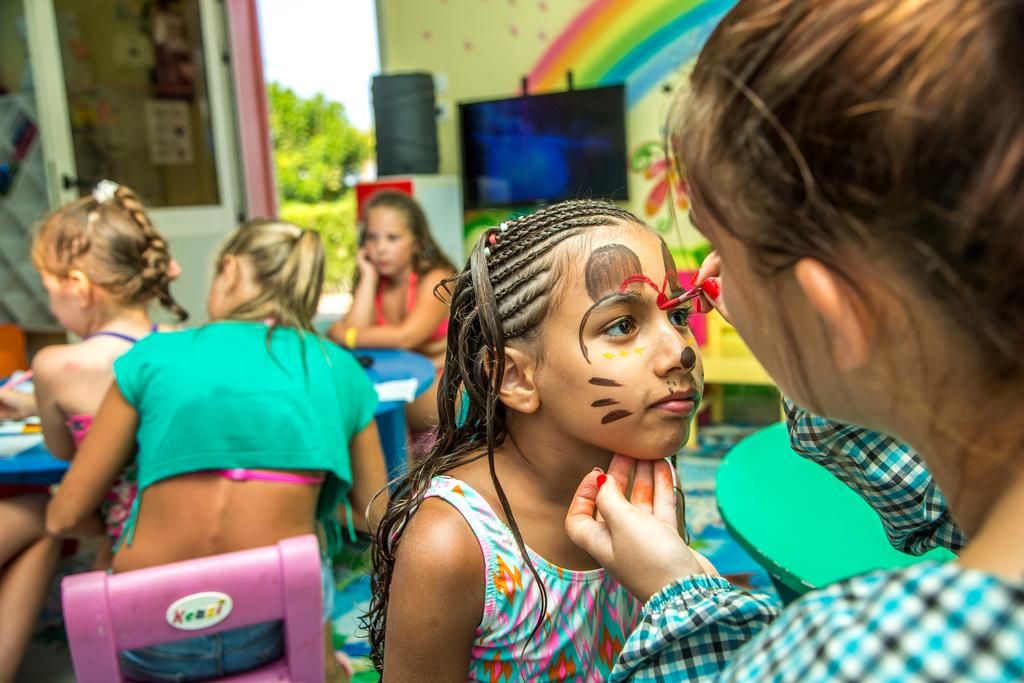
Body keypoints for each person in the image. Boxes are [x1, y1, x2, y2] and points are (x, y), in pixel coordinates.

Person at [564, 1, 1024, 680]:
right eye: (624, 322)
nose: (711, 284)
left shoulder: (841, 658)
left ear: (832, 311)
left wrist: (679, 600)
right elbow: (927, 492)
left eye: (721, 245)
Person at [367, 199, 703, 681]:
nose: (681, 351)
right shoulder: (453, 545)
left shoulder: (648, 491)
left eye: (678, 315)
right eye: (623, 325)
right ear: (517, 377)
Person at [47, 219, 388, 682]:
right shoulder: (338, 367)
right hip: (271, 631)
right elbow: (378, 515)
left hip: (151, 639)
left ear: (229, 269)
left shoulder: (151, 358)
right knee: (314, 556)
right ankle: (330, 668)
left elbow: (63, 517)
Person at [0, 180, 185, 681]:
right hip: (192, 535)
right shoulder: (183, 346)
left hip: (121, 548)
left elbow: (63, 450)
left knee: (54, 516)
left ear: (79, 286)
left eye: (48, 287)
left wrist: (34, 403)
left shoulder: (57, 364)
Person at [328, 191, 456, 434]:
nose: (380, 248)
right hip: (399, 386)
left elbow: (406, 337)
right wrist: (367, 277)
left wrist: (346, 335)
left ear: (417, 241)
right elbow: (356, 340)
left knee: (365, 410)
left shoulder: (437, 279)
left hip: (443, 382)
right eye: (372, 238)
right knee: (358, 402)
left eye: (392, 238)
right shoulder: (377, 284)